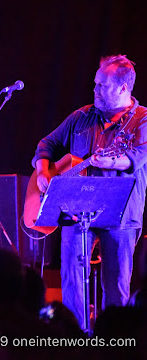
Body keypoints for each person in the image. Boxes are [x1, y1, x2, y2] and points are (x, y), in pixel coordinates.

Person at [32, 55, 147, 329]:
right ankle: (75, 340)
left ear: (122, 88)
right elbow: (46, 144)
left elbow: (134, 158)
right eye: (95, 84)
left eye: (101, 86)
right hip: (77, 211)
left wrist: (110, 162)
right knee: (71, 277)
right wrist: (43, 170)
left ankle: (115, 344)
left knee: (116, 285)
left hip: (121, 216)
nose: (94, 90)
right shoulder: (81, 116)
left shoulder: (143, 119)